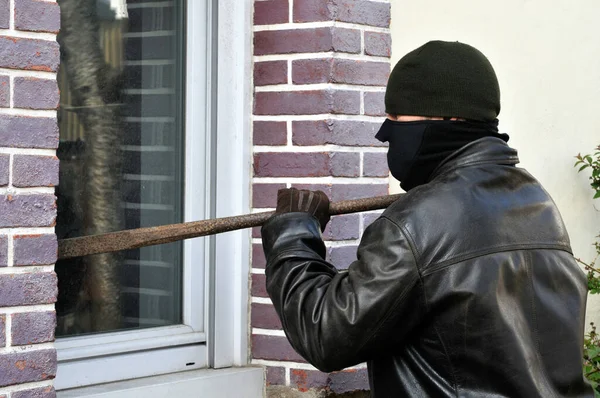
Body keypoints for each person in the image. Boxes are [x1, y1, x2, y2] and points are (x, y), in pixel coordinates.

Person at [260, 40, 593, 397]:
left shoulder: (416, 221)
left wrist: (294, 233)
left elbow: (327, 333)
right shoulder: (537, 200)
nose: (385, 132)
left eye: (396, 117)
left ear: (444, 117)